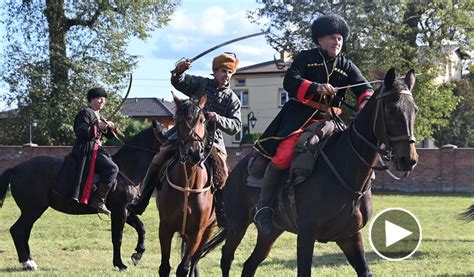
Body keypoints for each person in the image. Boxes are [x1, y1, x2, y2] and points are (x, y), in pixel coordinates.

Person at [253, 14, 374, 235]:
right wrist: (316, 87)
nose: (337, 42)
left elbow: (365, 88)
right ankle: (264, 208)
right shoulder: (306, 58)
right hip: (299, 118)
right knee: (283, 154)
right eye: (332, 37)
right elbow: (290, 81)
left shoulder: (347, 65)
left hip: (332, 122)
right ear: (319, 39)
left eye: (340, 38)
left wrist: (365, 102)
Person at [127, 53, 242, 226]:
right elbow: (179, 82)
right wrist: (178, 71)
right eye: (223, 71)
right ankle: (142, 199)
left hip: (212, 139)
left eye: (230, 72)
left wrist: (218, 118)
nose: (227, 75)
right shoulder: (202, 83)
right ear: (215, 72)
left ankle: (221, 210)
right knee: (160, 156)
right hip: (185, 134)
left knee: (222, 171)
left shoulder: (232, 99)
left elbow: (236, 125)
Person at [56, 87, 119, 216]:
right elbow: (80, 131)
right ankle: (98, 201)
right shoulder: (85, 113)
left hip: (96, 148)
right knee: (112, 169)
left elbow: (109, 137)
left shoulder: (99, 115)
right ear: (91, 99)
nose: (102, 101)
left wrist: (110, 127)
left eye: (104, 99)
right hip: (86, 149)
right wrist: (98, 126)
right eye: (99, 98)